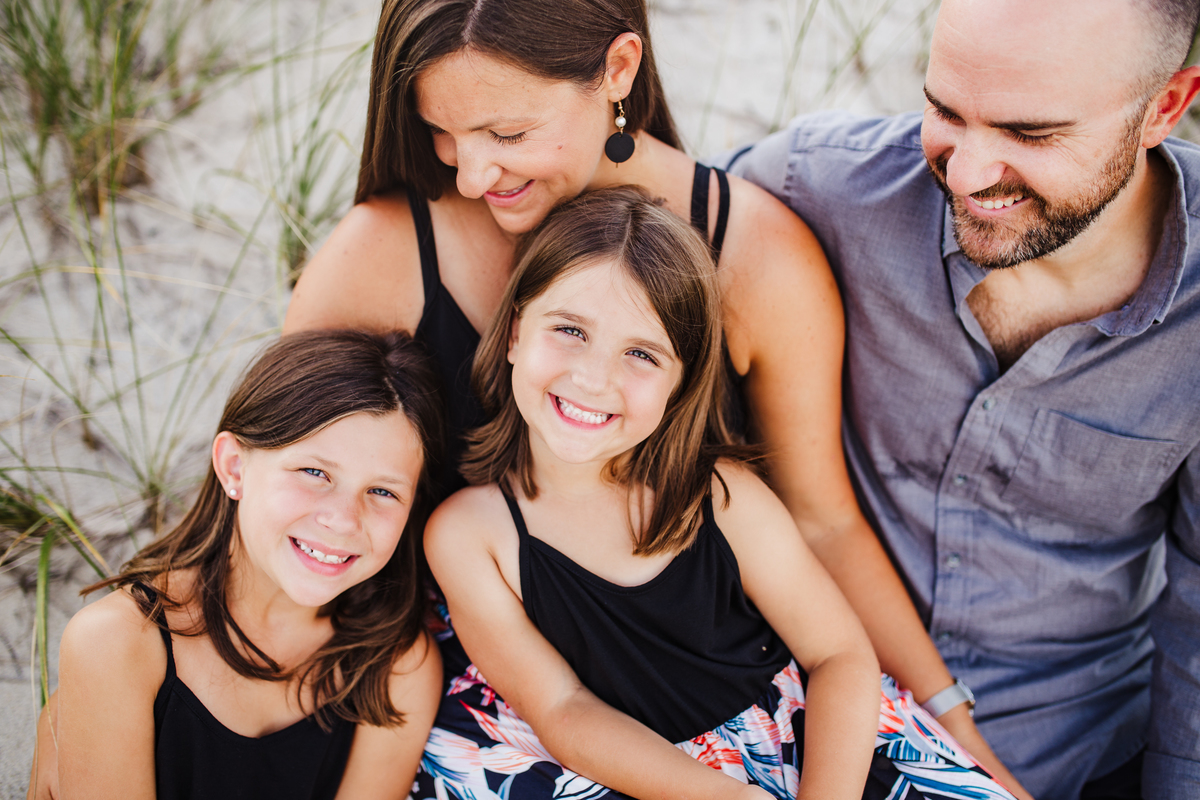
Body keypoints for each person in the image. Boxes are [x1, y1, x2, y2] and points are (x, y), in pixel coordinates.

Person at [284, 1, 1027, 791]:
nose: (470, 176)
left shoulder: (756, 261)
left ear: (618, 70)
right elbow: (275, 493)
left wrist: (956, 728)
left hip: (750, 697)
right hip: (511, 717)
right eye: (441, 130)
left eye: (507, 134)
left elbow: (824, 527)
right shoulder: (382, 253)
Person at [719, 0, 1200, 797]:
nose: (969, 175)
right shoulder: (821, 186)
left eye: (1030, 133)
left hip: (1079, 748)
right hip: (818, 734)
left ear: (1165, 108)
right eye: (944, 111)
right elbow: (635, 213)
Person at [420, 186, 1020, 800]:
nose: (594, 378)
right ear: (515, 333)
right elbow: (563, 709)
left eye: (641, 353)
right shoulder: (471, 537)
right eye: (570, 329)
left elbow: (839, 654)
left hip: (821, 748)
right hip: (651, 778)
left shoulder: (720, 495)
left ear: (680, 384)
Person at [28, 330, 445, 800]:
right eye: (314, 472)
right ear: (234, 467)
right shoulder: (117, 642)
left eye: (383, 491)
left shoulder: (399, 667)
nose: (344, 519)